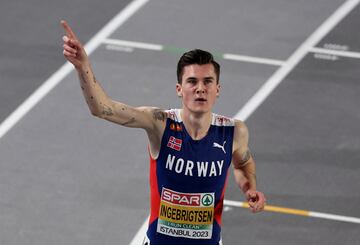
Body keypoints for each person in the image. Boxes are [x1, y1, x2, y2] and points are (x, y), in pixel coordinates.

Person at [61, 20, 266, 245]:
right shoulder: (160, 124)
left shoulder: (233, 132)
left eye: (208, 81)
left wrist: (250, 188)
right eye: (192, 81)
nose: (200, 88)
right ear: (179, 89)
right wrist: (83, 67)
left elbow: (243, 163)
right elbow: (102, 108)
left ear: (217, 89)